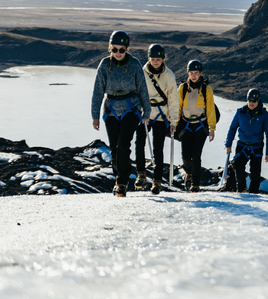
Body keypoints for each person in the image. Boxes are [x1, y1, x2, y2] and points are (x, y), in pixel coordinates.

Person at [91, 30, 151, 197]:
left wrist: (147, 111)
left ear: (127, 49)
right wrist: (95, 116)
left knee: (124, 144)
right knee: (114, 148)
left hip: (131, 109)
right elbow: (97, 91)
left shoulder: (135, 64)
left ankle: (122, 182)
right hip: (111, 110)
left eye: (121, 50)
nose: (118, 53)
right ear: (110, 48)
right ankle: (119, 177)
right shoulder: (104, 64)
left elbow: (143, 89)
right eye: (114, 49)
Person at [136, 43, 179, 194]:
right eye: (153, 59)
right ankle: (141, 174)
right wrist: (141, 112)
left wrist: (173, 121)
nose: (155, 62)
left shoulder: (169, 75)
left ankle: (157, 181)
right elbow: (138, 93)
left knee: (158, 148)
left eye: (158, 59)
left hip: (161, 114)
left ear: (163, 59)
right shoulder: (142, 73)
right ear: (149, 59)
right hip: (145, 113)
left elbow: (173, 98)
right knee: (139, 142)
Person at [225, 88, 268, 194]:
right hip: (242, 146)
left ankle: (253, 193)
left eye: (254, 101)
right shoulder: (240, 112)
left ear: (258, 101)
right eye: (250, 100)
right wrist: (228, 144)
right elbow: (232, 128)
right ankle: (241, 189)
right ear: (247, 100)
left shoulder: (264, 114)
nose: (251, 103)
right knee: (238, 167)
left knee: (255, 173)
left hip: (257, 147)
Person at [177, 59, 216, 192]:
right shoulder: (182, 89)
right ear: (188, 74)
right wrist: (174, 125)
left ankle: (195, 183)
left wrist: (212, 128)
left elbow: (210, 109)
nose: (194, 75)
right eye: (191, 73)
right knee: (186, 157)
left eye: (196, 73)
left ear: (200, 74)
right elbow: (178, 108)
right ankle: (188, 173)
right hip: (186, 125)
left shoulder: (207, 90)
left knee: (196, 155)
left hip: (200, 126)